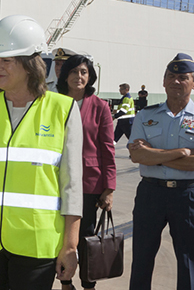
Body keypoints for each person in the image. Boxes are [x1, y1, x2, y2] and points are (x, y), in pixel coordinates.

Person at [0, 14, 82, 290]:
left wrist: (70, 244)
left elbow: (72, 184)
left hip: (37, 240)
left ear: (30, 64)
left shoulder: (63, 109)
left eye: (6, 60)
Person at [127, 53, 194, 290]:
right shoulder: (145, 115)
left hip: (189, 195)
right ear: (163, 81)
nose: (176, 81)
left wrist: (154, 155)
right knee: (141, 259)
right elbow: (136, 155)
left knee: (189, 262)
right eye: (171, 76)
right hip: (151, 193)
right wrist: (179, 153)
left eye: (183, 77)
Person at [55, 55, 116, 290]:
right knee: (61, 234)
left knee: (85, 236)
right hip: (56, 179)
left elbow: (107, 148)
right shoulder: (54, 101)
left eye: (83, 72)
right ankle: (65, 282)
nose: (78, 76)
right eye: (73, 71)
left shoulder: (100, 106)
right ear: (65, 75)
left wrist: (109, 188)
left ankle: (88, 283)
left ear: (89, 77)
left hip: (89, 183)